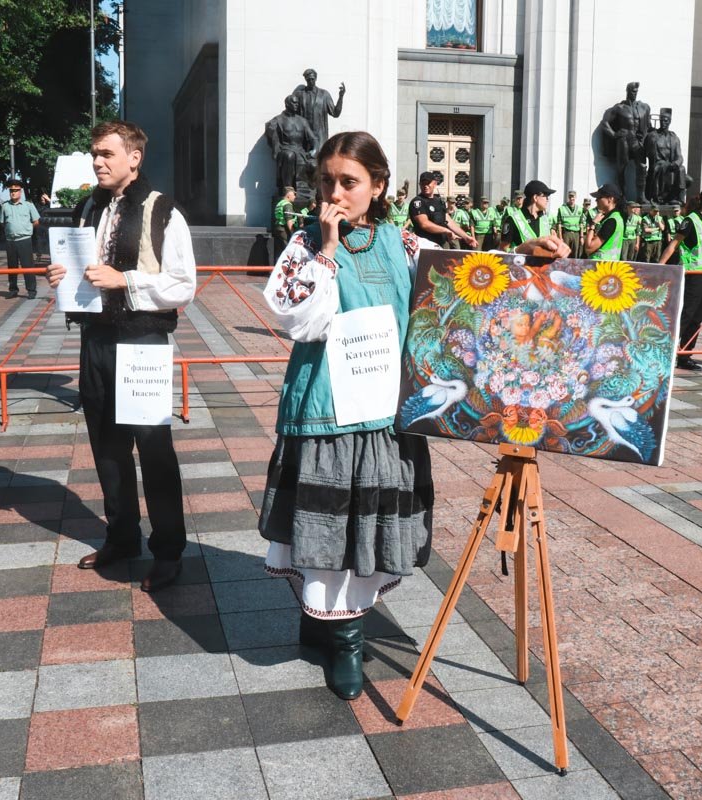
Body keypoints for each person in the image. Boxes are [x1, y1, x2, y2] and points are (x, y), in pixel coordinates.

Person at [260, 130, 568, 700]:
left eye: (348, 182)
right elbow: (299, 321)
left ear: (378, 186)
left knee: (364, 526)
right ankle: (324, 626)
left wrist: (528, 259)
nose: (335, 193)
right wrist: (325, 251)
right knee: (325, 527)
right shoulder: (303, 246)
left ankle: (346, 636)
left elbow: (465, 282)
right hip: (326, 407)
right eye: (326, 181)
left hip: (383, 411)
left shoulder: (403, 244)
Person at [45, 120, 194, 593]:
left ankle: (168, 550)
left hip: (143, 342)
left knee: (153, 450)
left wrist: (125, 280)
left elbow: (183, 285)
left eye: (107, 153)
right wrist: (61, 276)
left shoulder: (162, 210)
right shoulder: (88, 206)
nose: (97, 162)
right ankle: (122, 536)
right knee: (106, 446)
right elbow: (82, 269)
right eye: (94, 154)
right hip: (96, 340)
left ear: (135, 157)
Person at [661, 186, 702, 371]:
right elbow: (674, 244)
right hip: (694, 276)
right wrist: (659, 268)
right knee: (686, 315)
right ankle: (667, 354)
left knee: (698, 317)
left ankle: (685, 354)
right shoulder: (690, 221)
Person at [409, 171, 477, 250]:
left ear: (435, 184)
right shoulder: (417, 202)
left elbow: (448, 221)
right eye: (423, 183)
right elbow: (424, 224)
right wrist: (445, 231)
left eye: (428, 183)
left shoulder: (438, 201)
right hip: (425, 246)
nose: (425, 186)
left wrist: (466, 237)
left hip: (441, 244)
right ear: (419, 185)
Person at [0, 178, 40, 298]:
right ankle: (13, 290)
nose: (13, 193)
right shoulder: (5, 206)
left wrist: (27, 229)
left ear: (20, 191)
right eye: (11, 190)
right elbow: (2, 222)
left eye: (16, 190)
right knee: (12, 267)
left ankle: (31, 291)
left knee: (27, 266)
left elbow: (36, 221)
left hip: (24, 240)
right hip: (10, 240)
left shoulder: (28, 205)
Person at [500, 180, 555, 250]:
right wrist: (519, 250)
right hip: (521, 260)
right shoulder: (512, 220)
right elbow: (503, 250)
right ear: (535, 197)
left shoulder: (544, 219)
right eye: (545, 195)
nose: (547, 199)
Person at [584, 183, 627, 261]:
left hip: (600, 266)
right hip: (609, 265)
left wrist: (593, 224)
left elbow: (589, 248)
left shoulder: (611, 221)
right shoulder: (616, 217)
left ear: (610, 199)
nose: (596, 200)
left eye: (599, 197)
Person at [273, 186, 297, 262]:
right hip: (284, 230)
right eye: (293, 194)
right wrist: (293, 233)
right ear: (288, 195)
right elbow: (289, 220)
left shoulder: (280, 203)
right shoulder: (287, 205)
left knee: (279, 251)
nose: (295, 197)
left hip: (278, 229)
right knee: (286, 250)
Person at [555, 190, 582, 256]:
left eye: (573, 197)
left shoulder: (580, 209)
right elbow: (559, 224)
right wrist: (560, 237)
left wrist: (581, 236)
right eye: (570, 197)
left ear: (576, 197)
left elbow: (581, 223)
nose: (571, 198)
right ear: (568, 197)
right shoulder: (561, 209)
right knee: (565, 253)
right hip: (566, 233)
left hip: (576, 234)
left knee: (575, 253)